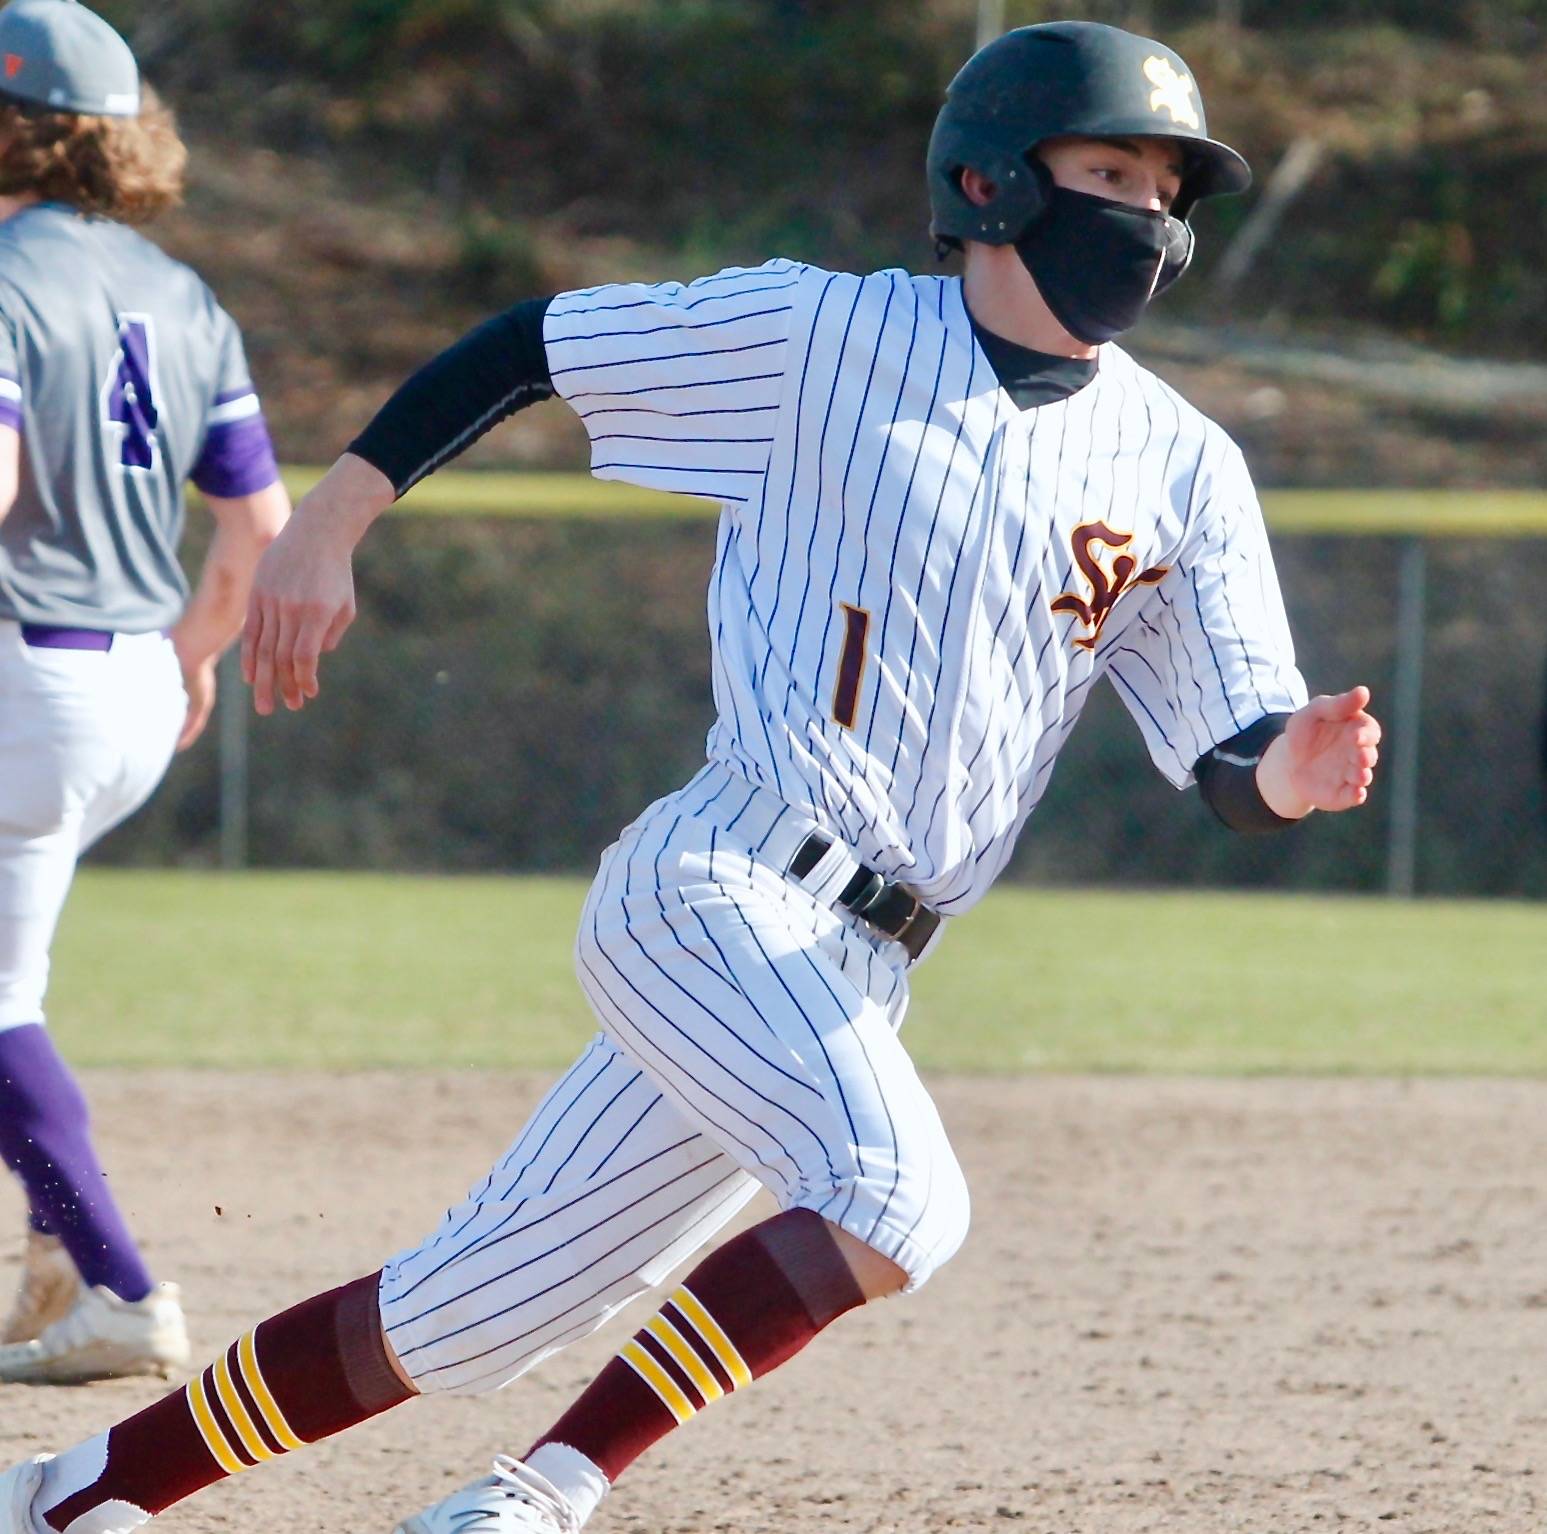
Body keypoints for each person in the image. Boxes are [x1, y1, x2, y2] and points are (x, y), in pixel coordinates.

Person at [1, 18, 1380, 1534]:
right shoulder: (821, 340)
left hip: (862, 962)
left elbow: (1232, 751)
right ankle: (541, 1490)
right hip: (719, 886)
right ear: (992, 183)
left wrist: (1293, 773)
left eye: (1170, 187)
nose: (1148, 213)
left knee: (466, 1308)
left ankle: (73, 1494)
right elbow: (540, 343)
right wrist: (335, 512)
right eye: (1111, 168)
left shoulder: (1183, 465)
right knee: (899, 1193)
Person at [0, 0, 289, 1385]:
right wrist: (192, 654)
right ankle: (58, 1240)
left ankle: (112, 1277)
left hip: (23, 668)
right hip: (123, 690)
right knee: (8, 984)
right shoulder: (185, 295)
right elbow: (253, 531)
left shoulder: (2, 275)